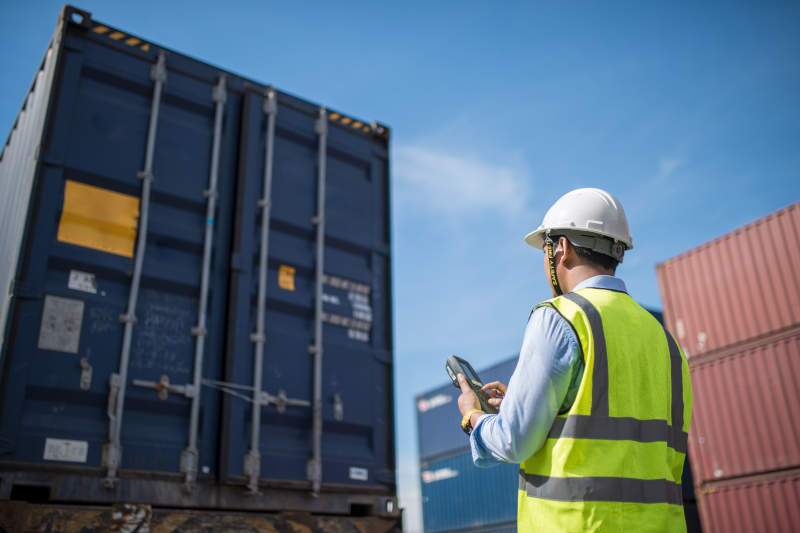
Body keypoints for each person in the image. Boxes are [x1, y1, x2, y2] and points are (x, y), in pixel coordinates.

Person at [456, 188, 692, 532]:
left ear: (561, 248)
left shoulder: (560, 317)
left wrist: (473, 416)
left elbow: (512, 440)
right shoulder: (665, 340)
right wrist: (543, 411)